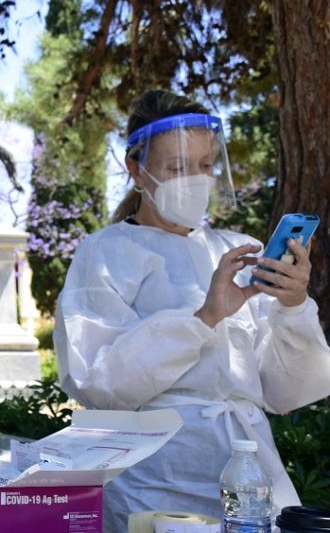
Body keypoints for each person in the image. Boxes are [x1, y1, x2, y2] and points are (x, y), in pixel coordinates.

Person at [53, 89, 330, 531]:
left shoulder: (236, 250)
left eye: (205, 166)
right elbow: (98, 386)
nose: (196, 180)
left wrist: (294, 306)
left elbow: (286, 392)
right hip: (154, 480)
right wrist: (203, 320)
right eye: (177, 168)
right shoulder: (106, 252)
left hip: (252, 479)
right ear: (135, 171)